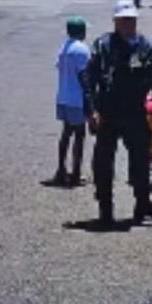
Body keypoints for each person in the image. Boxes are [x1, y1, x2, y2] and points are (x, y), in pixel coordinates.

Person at [82, 0, 152, 225]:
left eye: (131, 19)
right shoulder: (103, 45)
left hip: (135, 111)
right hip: (108, 112)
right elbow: (88, 78)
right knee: (103, 163)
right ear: (115, 21)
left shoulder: (144, 46)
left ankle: (143, 203)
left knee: (141, 160)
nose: (128, 24)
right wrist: (90, 111)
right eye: (123, 20)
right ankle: (105, 209)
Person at [52, 16, 90, 187]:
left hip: (63, 97)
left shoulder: (63, 48)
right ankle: (75, 173)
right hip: (77, 99)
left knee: (66, 133)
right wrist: (90, 99)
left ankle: (61, 170)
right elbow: (84, 76)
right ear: (82, 31)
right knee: (80, 135)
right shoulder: (81, 49)